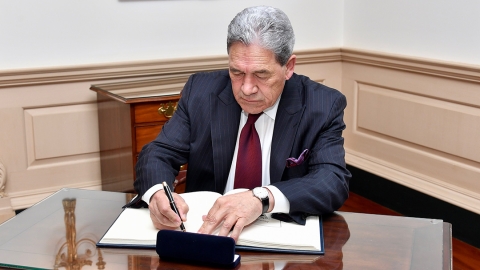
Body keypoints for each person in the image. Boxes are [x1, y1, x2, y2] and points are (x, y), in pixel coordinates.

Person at [131, 5, 351, 242]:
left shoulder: (322, 105)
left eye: (261, 74)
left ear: (289, 67)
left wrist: (262, 198)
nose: (247, 88)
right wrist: (156, 194)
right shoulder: (201, 91)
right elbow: (158, 152)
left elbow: (332, 180)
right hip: (207, 233)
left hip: (279, 236)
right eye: (236, 72)